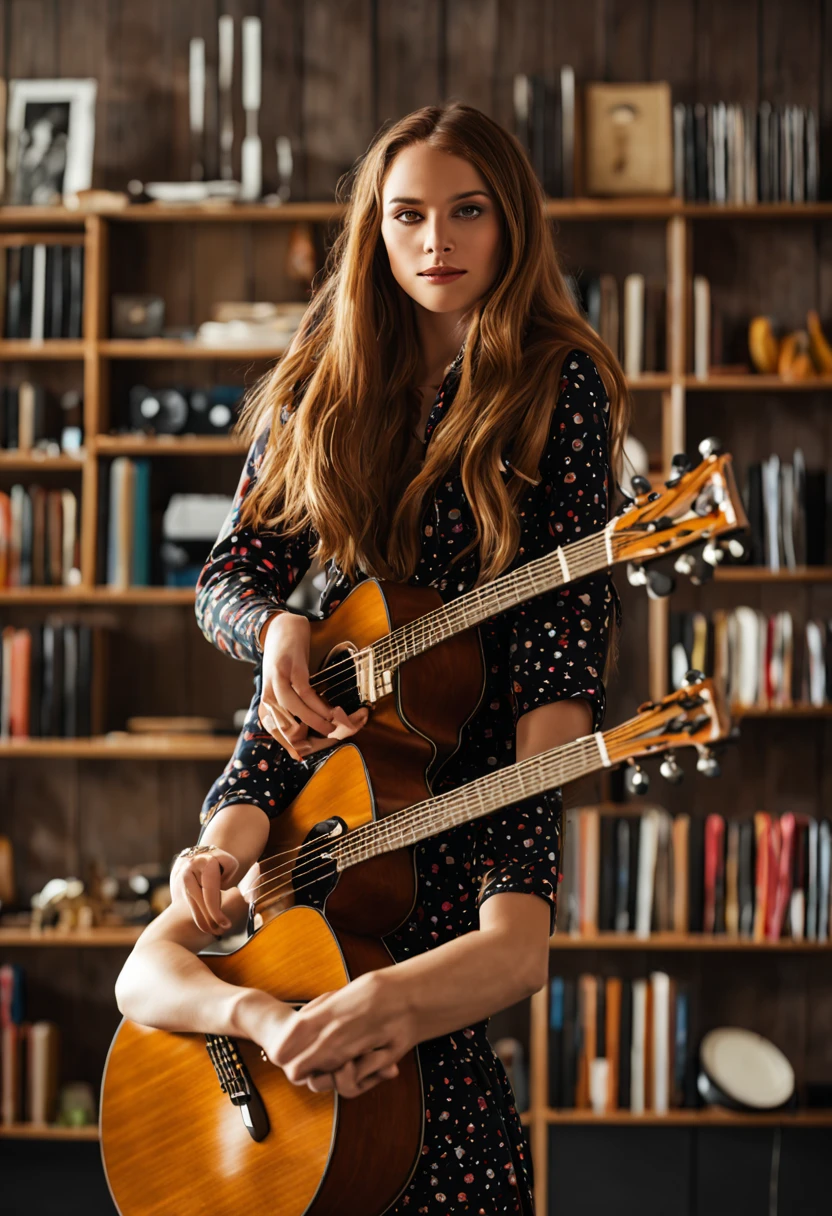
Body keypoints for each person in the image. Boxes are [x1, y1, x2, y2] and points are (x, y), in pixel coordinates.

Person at [114, 101, 629, 1215]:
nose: (435, 241)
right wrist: (275, 632)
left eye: (465, 213)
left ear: (511, 224)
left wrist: (527, 805)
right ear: (374, 231)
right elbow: (226, 580)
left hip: (467, 784)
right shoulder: (323, 377)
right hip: (321, 754)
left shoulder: (559, 387)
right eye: (406, 217)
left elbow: (557, 653)